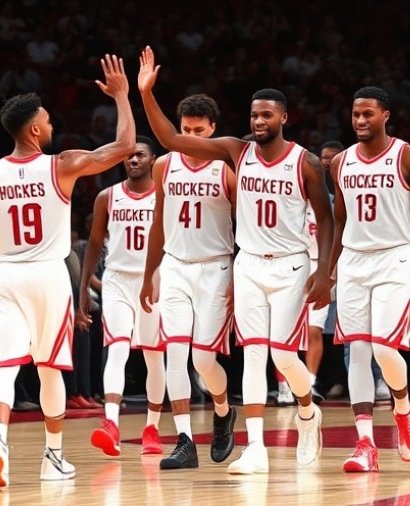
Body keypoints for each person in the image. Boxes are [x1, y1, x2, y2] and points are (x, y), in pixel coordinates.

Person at [139, 46, 334, 475]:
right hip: (247, 264)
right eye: (254, 116)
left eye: (267, 115)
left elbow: (327, 218)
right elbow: (170, 140)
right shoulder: (234, 152)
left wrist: (325, 272)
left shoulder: (307, 162)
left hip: (289, 264)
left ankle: (307, 412)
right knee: (251, 357)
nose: (259, 122)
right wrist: (145, 93)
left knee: (283, 357)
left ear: (284, 117)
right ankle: (256, 450)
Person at [0, 54, 135, 486]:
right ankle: (52, 456)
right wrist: (123, 97)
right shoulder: (62, 164)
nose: (52, 126)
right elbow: (125, 147)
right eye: (48, 121)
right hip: (50, 276)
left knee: (4, 365)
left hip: (6, 276)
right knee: (50, 368)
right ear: (35, 129)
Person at [330, 86, 410, 473]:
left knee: (384, 349)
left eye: (368, 114)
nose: (360, 121)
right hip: (353, 260)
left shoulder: (408, 157)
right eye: (355, 114)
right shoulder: (341, 163)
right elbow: (340, 220)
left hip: (394, 257)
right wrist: (328, 269)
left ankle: (402, 406)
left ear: (385, 116)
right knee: (358, 353)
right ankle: (365, 443)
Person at [137, 94, 237, 469]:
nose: (192, 136)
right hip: (176, 266)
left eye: (199, 130)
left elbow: (247, 227)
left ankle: (224, 412)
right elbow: (158, 221)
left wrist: (238, 275)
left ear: (213, 130)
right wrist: (150, 274)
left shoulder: (227, 168)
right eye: (186, 130)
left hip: (216, 267)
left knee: (204, 360)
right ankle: (184, 441)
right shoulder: (164, 165)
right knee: (175, 355)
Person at [78, 135, 167, 457]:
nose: (133, 160)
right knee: (117, 349)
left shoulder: (165, 196)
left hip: (155, 280)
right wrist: (85, 287)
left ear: (152, 159)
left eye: (140, 155)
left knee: (154, 356)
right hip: (116, 279)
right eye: (128, 156)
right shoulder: (107, 196)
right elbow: (93, 242)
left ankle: (151, 428)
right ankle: (111, 424)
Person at [304, 140, 343, 404]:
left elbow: (341, 234)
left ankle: (310, 383)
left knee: (314, 329)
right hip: (292, 264)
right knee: (284, 333)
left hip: (322, 265)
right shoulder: (294, 198)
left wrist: (332, 268)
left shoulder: (335, 202)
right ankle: (287, 385)